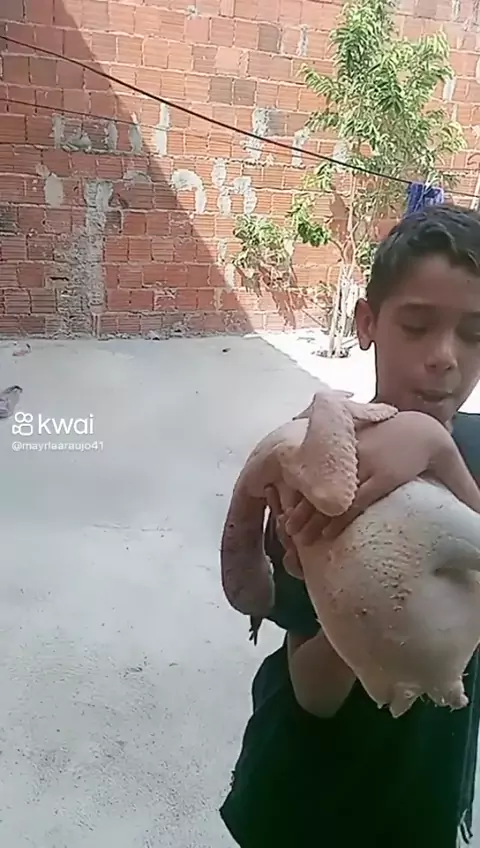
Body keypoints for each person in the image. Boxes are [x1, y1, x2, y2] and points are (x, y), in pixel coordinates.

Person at [219, 204, 480, 848]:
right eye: (416, 326)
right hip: (310, 803)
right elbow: (314, 692)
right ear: (367, 323)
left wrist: (440, 452)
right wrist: (356, 579)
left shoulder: (474, 450)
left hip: (428, 789)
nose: (444, 357)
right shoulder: (316, 468)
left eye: (474, 333)